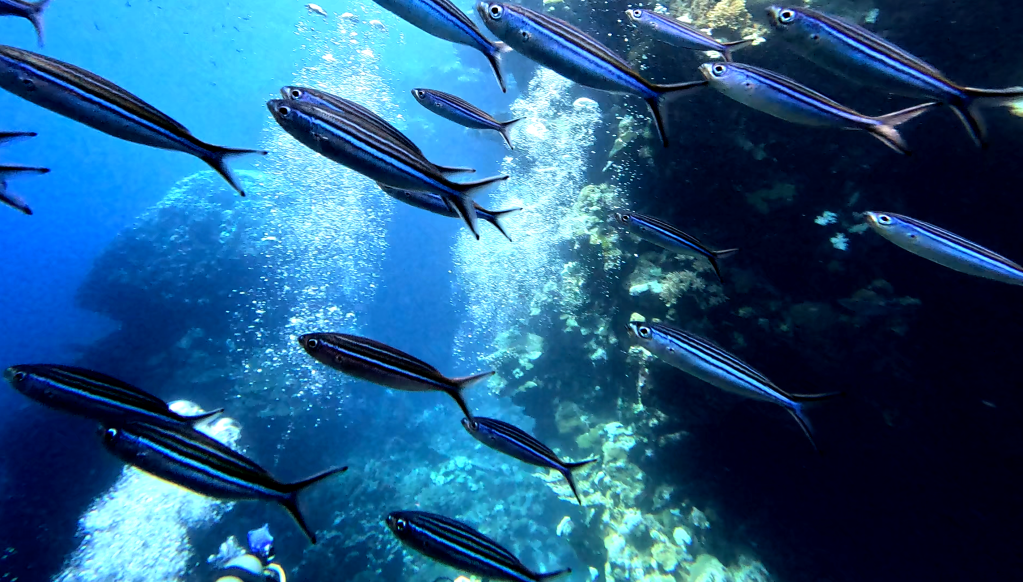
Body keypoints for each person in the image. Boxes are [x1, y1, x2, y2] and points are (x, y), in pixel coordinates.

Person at [214, 525, 286, 582]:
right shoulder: (254, 565)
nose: (270, 559)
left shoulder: (241, 561)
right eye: (271, 552)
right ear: (263, 552)